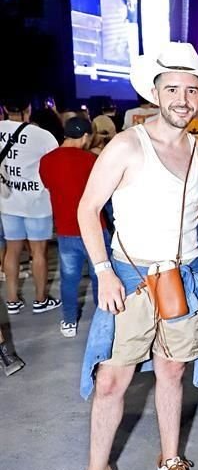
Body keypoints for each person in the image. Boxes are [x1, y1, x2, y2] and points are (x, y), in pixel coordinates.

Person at [68, 42, 198, 470]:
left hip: (182, 275)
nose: (182, 98)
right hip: (131, 278)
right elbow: (87, 209)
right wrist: (103, 270)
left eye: (191, 89)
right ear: (155, 93)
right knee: (112, 379)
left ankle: (170, 460)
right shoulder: (126, 145)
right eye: (172, 88)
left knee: (172, 373)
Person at [39, 116, 109, 337]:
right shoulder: (91, 160)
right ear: (86, 136)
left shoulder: (46, 160)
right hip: (95, 228)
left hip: (66, 230)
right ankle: (103, 318)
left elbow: (49, 185)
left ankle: (69, 321)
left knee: (69, 279)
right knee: (101, 275)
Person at [0, 101, 61, 315]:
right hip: (37, 203)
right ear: (28, 109)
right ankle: (40, 299)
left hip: (8, 200)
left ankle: (12, 300)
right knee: (38, 253)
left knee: (12, 250)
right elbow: (55, 163)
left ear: (5, 108)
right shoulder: (42, 136)